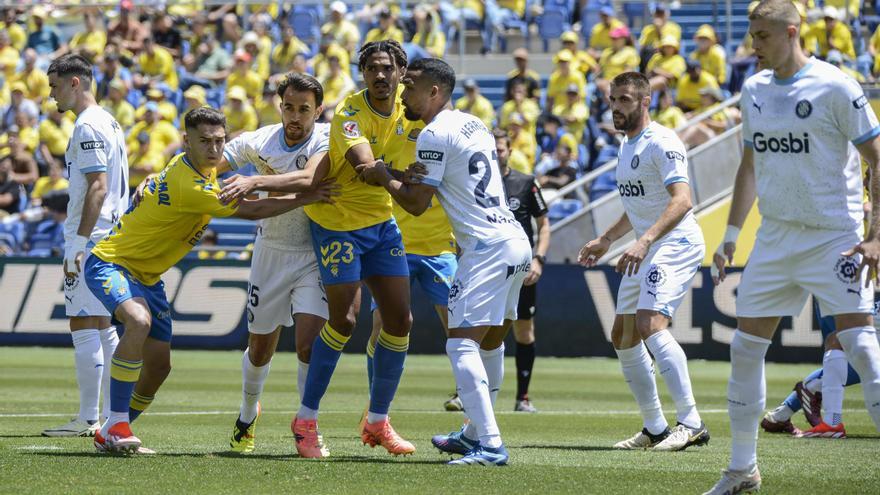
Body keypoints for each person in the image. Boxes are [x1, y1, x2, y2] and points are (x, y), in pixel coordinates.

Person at [705, 1, 880, 492]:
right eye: (751, 35)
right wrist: (732, 236)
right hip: (776, 237)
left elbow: (878, 159)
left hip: (834, 236)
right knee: (744, 348)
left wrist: (876, 237)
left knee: (863, 349)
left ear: (791, 31)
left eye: (761, 36)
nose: (752, 46)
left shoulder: (836, 86)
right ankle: (742, 470)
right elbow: (749, 165)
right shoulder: (754, 89)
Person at [85, 107, 333, 453]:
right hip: (111, 262)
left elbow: (176, 171)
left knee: (158, 368)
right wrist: (308, 196)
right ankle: (116, 425)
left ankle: (113, 431)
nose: (215, 149)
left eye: (220, 141)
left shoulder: (191, 168)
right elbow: (254, 210)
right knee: (138, 322)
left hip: (149, 276)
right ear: (187, 142)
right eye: (205, 142)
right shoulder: (194, 186)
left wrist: (151, 177)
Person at [359, 57, 532, 466]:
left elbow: (418, 205)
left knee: (460, 344)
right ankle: (474, 433)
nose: (403, 91)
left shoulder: (433, 134)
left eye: (411, 85)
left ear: (435, 91)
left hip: (485, 248)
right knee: (490, 344)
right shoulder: (475, 123)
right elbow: (451, 176)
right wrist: (405, 172)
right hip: (513, 239)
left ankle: (490, 445)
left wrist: (385, 176)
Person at [289, 40, 415, 458]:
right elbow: (364, 168)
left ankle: (378, 421)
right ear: (363, 74)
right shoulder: (349, 112)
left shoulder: (409, 110)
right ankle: (305, 419)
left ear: (401, 71)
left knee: (400, 320)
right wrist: (398, 176)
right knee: (344, 320)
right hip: (338, 223)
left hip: (381, 224)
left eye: (387, 68)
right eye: (372, 69)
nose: (380, 75)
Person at [578, 72, 709, 452]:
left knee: (650, 324)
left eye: (623, 100)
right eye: (612, 100)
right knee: (622, 335)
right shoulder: (626, 145)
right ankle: (654, 427)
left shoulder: (662, 141)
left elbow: (683, 200)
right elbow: (635, 204)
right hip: (646, 245)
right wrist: (607, 239)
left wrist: (645, 240)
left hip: (676, 242)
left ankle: (692, 422)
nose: (615, 107)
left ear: (645, 101)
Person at [215, 73, 333, 454]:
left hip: (314, 253)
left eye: (304, 109)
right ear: (280, 106)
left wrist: (251, 183)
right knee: (260, 348)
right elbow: (212, 160)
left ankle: (307, 425)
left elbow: (310, 178)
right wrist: (166, 176)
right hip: (270, 252)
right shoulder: (260, 140)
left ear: (318, 110)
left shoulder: (327, 138)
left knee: (309, 345)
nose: (295, 117)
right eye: (289, 108)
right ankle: (247, 414)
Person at [40, 54, 128, 439]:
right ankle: (109, 414)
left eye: (55, 85)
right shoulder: (108, 119)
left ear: (75, 83)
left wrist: (78, 241)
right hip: (111, 233)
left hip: (92, 235)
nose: (51, 94)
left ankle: (88, 417)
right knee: (101, 322)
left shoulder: (88, 125)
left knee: (81, 322)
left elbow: (98, 186)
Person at [497, 128, 550, 413]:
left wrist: (539, 258)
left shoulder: (526, 183)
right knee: (480, 329)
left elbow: (544, 225)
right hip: (489, 268)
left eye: (501, 149)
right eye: (492, 148)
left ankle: (523, 397)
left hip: (521, 269)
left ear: (510, 151)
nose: (496, 153)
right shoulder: (477, 184)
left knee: (524, 332)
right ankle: (464, 394)